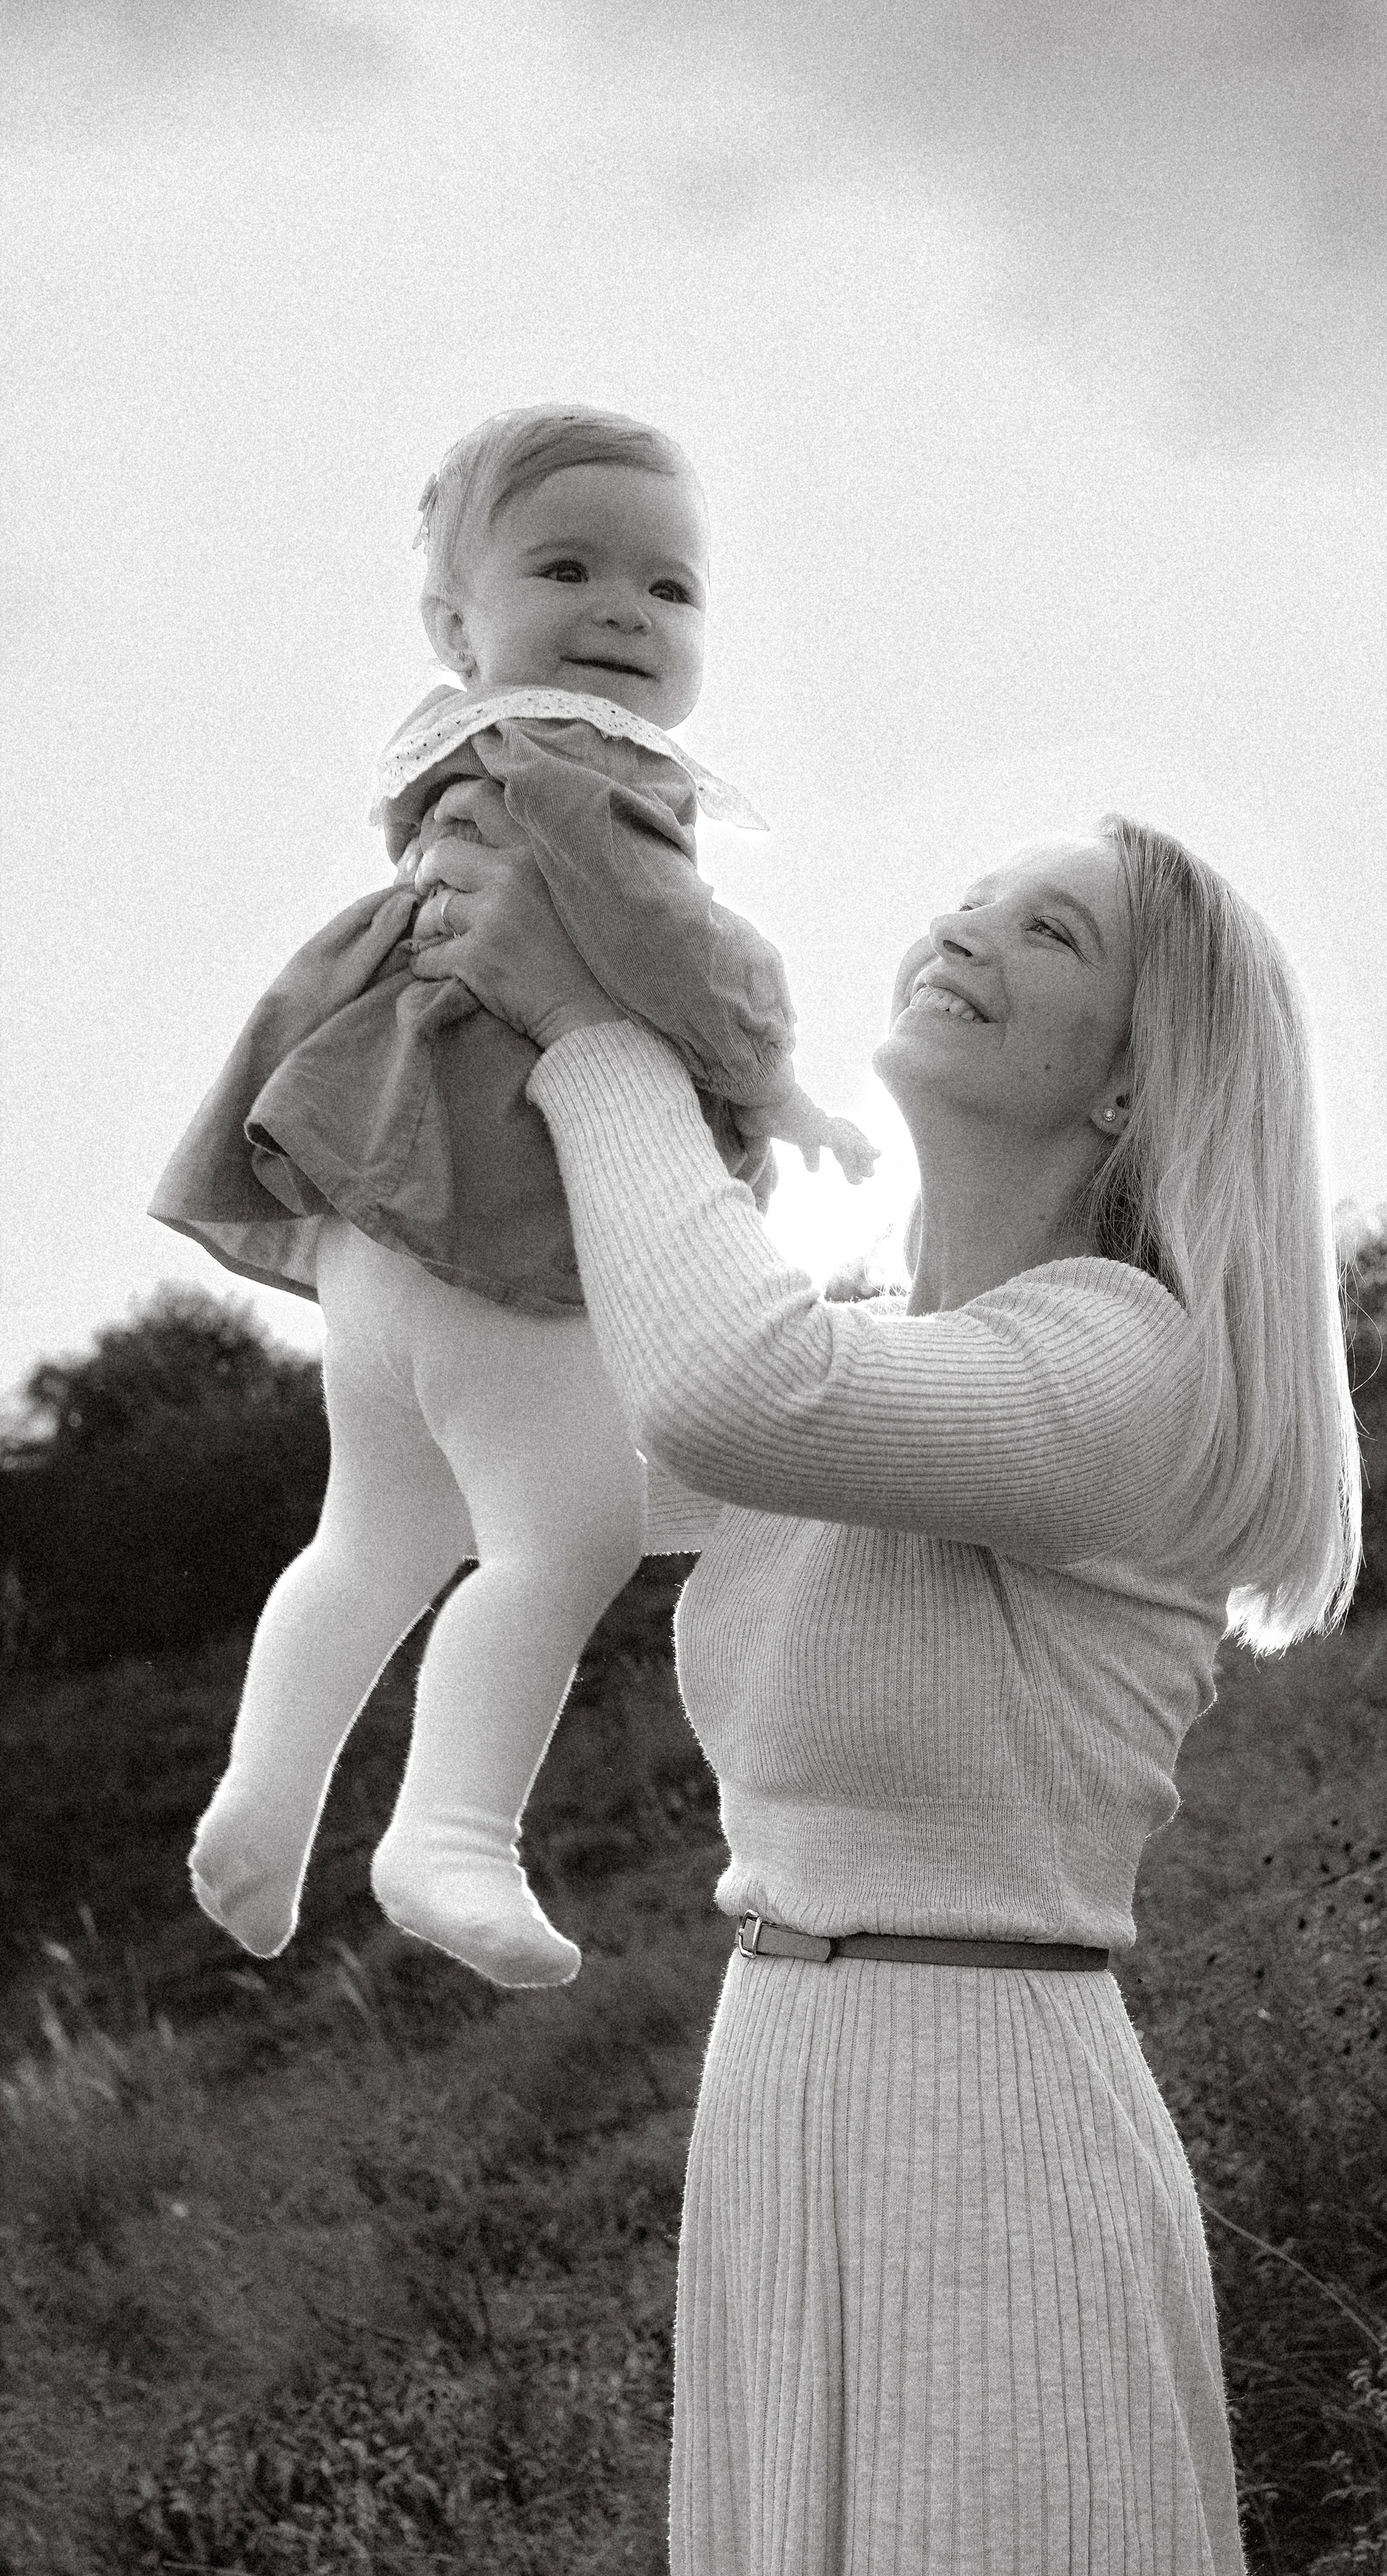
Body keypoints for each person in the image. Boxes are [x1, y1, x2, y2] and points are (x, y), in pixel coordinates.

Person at [407, 784, 1363, 2576]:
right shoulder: (900, 1358)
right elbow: (554, 1446)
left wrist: (602, 1040)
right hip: (791, 2103)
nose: (978, 924)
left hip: (990, 2134)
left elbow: (723, 1389)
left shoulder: (1131, 1362)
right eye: (977, 891)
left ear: (1131, 1086)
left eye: (1059, 935)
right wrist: (449, 1018)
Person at [150, 403, 873, 1989]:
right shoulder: (580, 763)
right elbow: (671, 945)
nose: (622, 608)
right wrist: (771, 1073)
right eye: (566, 567)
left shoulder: (459, 760)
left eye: (668, 589)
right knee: (564, 1533)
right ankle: (447, 1835)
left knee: (376, 1531)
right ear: (455, 625)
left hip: (381, 1232)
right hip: (500, 1223)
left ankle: (265, 1801)